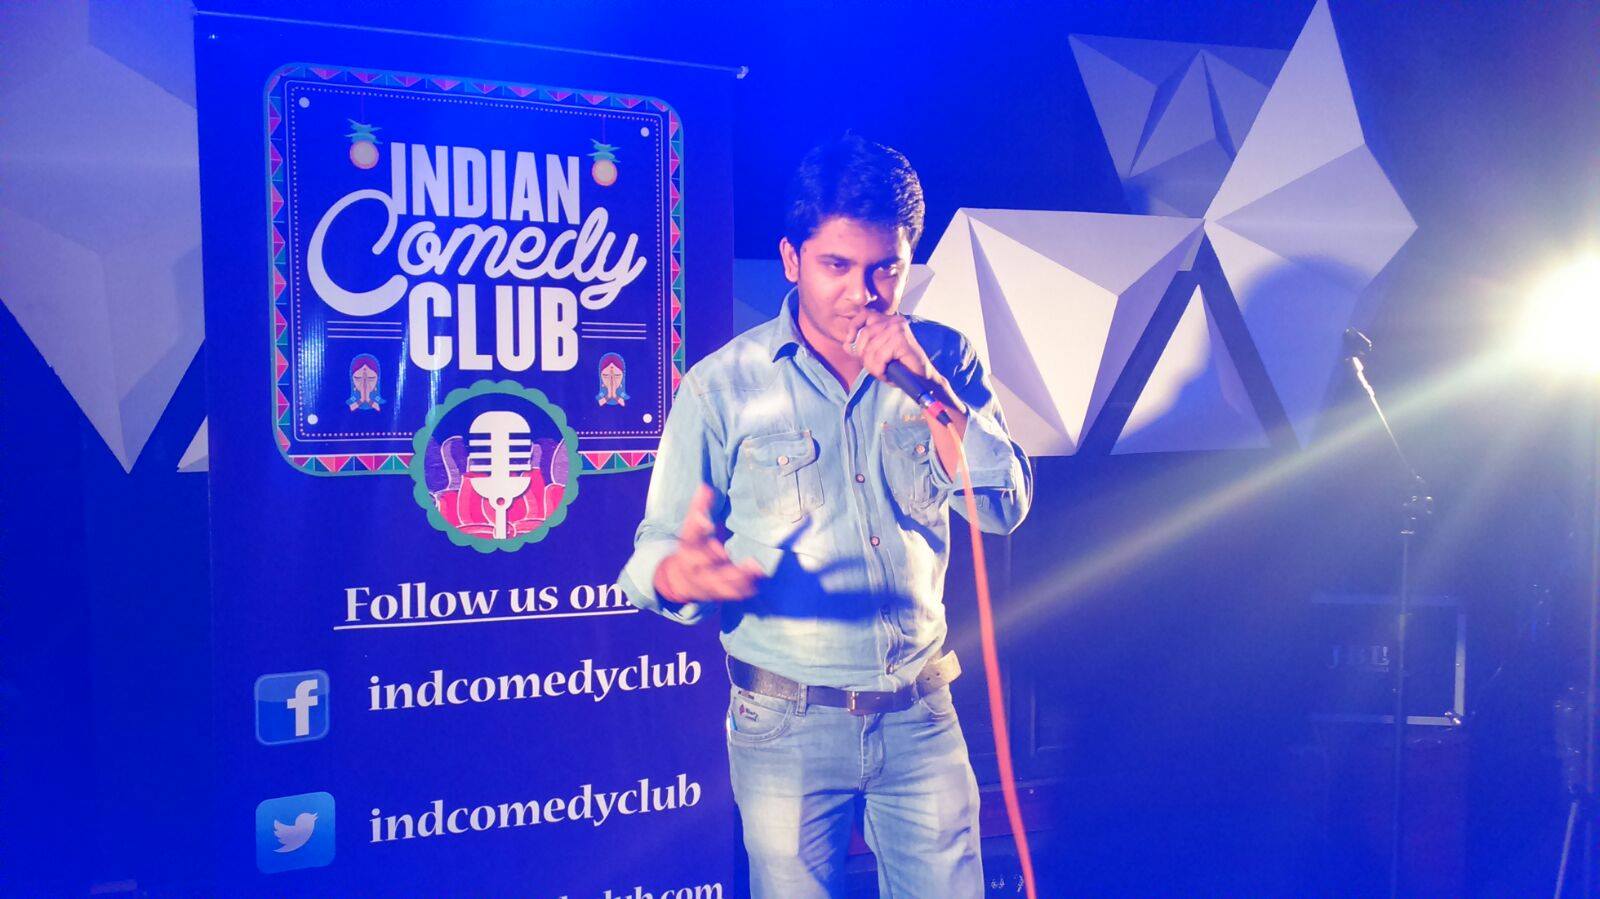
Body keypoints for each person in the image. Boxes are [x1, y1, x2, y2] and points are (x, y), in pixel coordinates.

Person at [615, 135, 1032, 898]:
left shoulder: (944, 359)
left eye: (885, 269)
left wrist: (932, 391)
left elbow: (1005, 502)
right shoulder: (721, 387)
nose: (863, 293)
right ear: (791, 259)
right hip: (786, 722)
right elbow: (651, 556)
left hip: (922, 710)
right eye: (836, 266)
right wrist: (681, 572)